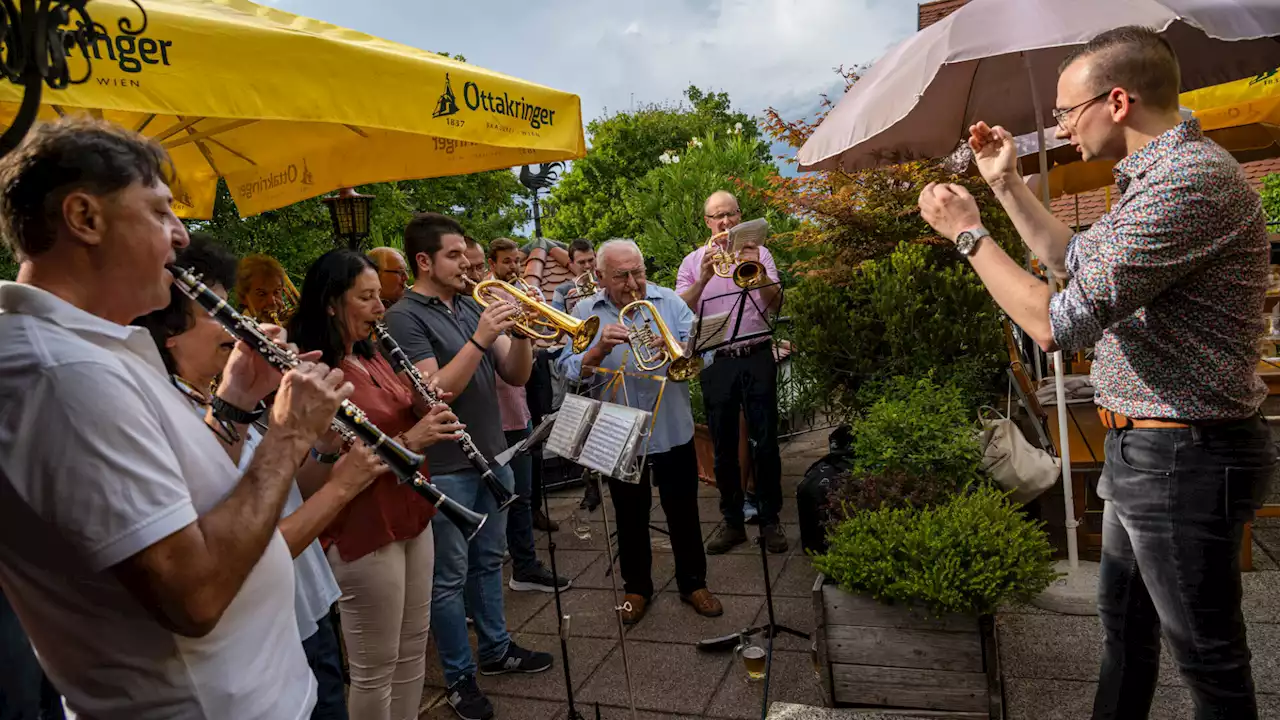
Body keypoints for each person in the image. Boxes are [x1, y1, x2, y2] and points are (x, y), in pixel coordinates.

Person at [917, 27, 1274, 720]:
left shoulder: (1189, 183)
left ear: (1116, 100)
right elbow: (1073, 259)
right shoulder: (1151, 179)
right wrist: (1005, 186)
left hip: (1185, 454)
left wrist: (969, 235)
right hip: (1149, 450)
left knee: (1207, 660)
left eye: (1063, 111)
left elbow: (1055, 322)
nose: (1057, 126)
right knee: (1126, 638)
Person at [0, 116, 350, 719]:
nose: (182, 235)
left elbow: (191, 501)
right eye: (160, 212)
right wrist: (290, 434)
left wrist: (238, 399)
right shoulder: (65, 375)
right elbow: (194, 594)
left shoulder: (94, 352)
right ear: (85, 218)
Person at [133, 235, 385, 720]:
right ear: (169, 334)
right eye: (220, 314)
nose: (241, 327)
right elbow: (244, 545)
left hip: (306, 602)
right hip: (265, 629)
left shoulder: (227, 401)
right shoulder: (174, 415)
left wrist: (328, 453)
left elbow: (289, 492)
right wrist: (343, 486)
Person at [384, 213, 552, 720]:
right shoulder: (405, 317)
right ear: (424, 261)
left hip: (491, 454)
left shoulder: (464, 305)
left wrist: (521, 328)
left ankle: (496, 649)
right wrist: (481, 337)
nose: (466, 265)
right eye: (454, 256)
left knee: (488, 563)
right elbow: (432, 394)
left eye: (466, 255)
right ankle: (458, 678)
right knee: (449, 579)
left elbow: (516, 375)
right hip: (448, 467)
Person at [288, 249, 463, 720]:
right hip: (364, 529)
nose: (380, 308)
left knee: (410, 656)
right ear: (330, 303)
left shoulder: (375, 353)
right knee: (374, 668)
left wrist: (425, 406)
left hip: (411, 514)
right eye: (366, 298)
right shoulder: (316, 374)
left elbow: (399, 414)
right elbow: (317, 475)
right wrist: (412, 437)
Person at [558, 239, 723, 624]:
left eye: (639, 272)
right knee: (629, 515)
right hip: (619, 432)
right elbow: (565, 369)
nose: (634, 283)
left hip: (671, 426)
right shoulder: (584, 311)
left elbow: (706, 351)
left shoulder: (667, 300)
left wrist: (685, 350)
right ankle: (637, 587)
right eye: (622, 276)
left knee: (683, 511)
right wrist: (596, 351)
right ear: (600, 277)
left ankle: (693, 582)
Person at [676, 190, 787, 555]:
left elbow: (776, 305)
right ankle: (732, 521)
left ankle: (771, 521)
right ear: (707, 222)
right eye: (717, 217)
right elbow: (680, 311)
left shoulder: (761, 254)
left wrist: (759, 275)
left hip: (756, 353)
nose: (725, 223)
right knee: (723, 445)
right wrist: (705, 277)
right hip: (716, 360)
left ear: (740, 217)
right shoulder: (693, 262)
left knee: (767, 440)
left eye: (730, 215)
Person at [486, 238, 571, 593]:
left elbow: (528, 352)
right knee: (502, 500)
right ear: (493, 264)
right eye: (507, 262)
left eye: (518, 261)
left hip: (519, 402)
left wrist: (535, 319)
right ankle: (501, 563)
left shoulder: (519, 293)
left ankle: (524, 565)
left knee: (521, 494)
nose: (515, 268)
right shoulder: (487, 300)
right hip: (495, 412)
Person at [237, 252, 298, 323]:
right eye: (262, 294)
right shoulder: (236, 330)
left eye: (276, 292)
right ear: (243, 298)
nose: (272, 302)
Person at [550, 238, 597, 313]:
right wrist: (572, 308)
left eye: (590, 260)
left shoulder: (606, 283)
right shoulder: (561, 291)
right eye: (581, 262)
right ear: (571, 262)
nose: (587, 266)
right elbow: (556, 322)